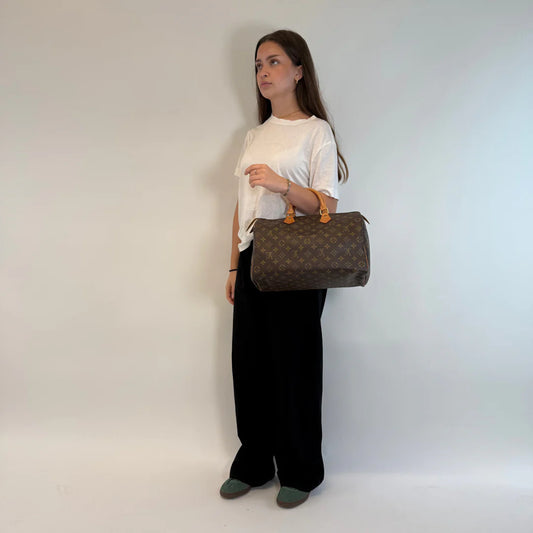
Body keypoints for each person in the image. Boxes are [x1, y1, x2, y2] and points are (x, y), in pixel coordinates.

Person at [220, 29, 349, 509]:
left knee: (294, 366)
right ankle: (254, 463)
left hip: (297, 258)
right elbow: (242, 203)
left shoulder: (316, 131)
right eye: (258, 65)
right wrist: (234, 265)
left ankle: (300, 470)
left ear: (298, 71)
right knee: (249, 364)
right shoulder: (254, 135)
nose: (263, 72)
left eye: (274, 62)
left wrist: (281, 185)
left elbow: (328, 206)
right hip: (254, 256)